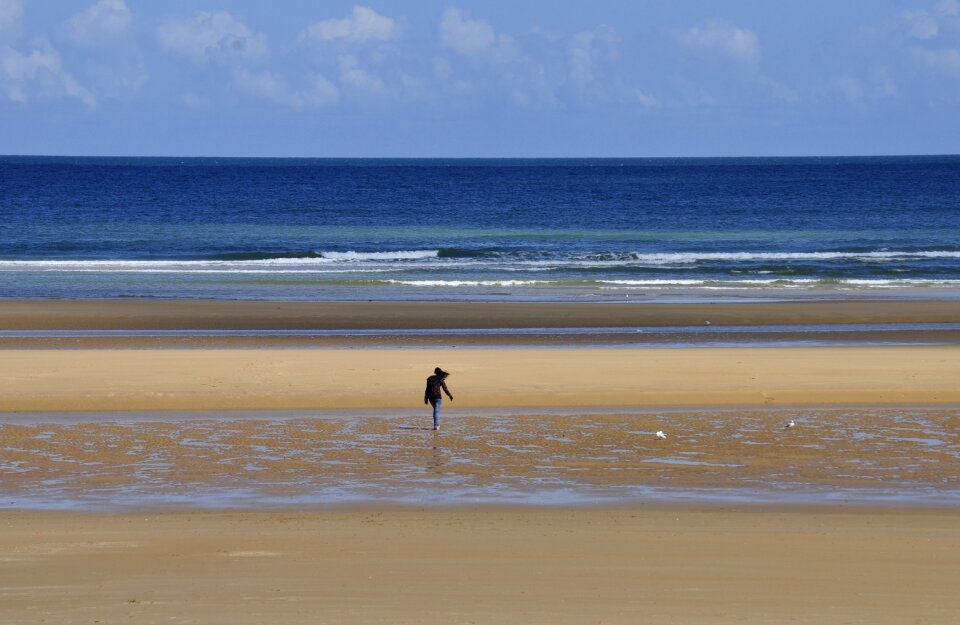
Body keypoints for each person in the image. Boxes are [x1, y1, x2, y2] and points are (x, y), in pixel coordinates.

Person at [424, 367, 453, 431]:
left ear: (435, 372)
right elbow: (445, 389)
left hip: (430, 398)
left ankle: (436, 425)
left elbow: (427, 389)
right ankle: (436, 425)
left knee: (435, 410)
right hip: (437, 397)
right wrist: (450, 395)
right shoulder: (440, 379)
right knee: (436, 411)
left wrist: (425, 398)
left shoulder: (430, 378)